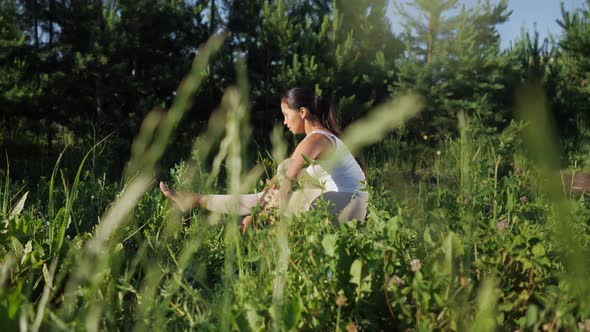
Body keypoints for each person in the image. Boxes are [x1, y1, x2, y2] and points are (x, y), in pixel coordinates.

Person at [160, 87, 369, 228]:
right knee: (275, 182)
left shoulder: (314, 140)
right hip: (351, 206)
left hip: (345, 206)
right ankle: (197, 200)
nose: (285, 122)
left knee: (279, 187)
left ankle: (200, 202)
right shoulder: (322, 139)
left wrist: (262, 215)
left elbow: (289, 183)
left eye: (287, 115)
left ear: (303, 112)